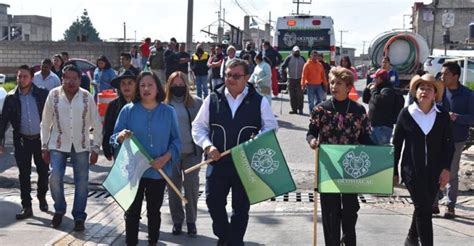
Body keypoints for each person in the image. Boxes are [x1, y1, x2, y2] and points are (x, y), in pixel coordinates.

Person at [192, 59, 278, 245]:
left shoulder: (258, 101)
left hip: (245, 163)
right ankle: (226, 237)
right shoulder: (212, 98)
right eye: (228, 75)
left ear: (247, 77)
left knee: (240, 208)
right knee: (213, 202)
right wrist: (208, 146)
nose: (230, 79)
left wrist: (256, 141)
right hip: (217, 161)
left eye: (236, 76)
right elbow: (198, 127)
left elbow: (271, 127)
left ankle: (234, 241)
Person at [111, 71, 181, 245]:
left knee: (154, 211)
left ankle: (153, 241)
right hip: (133, 170)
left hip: (158, 172)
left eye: (150, 85)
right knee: (132, 212)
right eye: (142, 85)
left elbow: (177, 141)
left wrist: (165, 158)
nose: (146, 89)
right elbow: (113, 137)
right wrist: (120, 136)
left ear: (158, 88)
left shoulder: (168, 112)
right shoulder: (128, 110)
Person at [306, 67, 373, 246]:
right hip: (328, 166)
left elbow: (365, 137)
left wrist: (382, 152)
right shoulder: (321, 109)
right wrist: (313, 142)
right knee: (330, 211)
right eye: (332, 82)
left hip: (352, 167)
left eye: (339, 83)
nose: (334, 86)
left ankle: (348, 239)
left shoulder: (359, 110)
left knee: (351, 210)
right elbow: (311, 133)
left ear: (349, 86)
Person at [393, 73, 453, 245]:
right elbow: (397, 144)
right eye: (421, 88)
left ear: (435, 94)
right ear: (415, 92)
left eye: (429, 88)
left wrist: (446, 169)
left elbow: (449, 145)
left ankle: (411, 238)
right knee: (424, 210)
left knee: (424, 207)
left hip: (435, 171)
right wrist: (394, 171)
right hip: (411, 171)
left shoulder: (442, 115)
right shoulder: (406, 114)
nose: (425, 91)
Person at [40, 65, 102, 231]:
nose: (71, 81)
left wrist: (96, 148)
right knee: (55, 176)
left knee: (81, 182)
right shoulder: (53, 95)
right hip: (58, 143)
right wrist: (44, 146)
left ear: (80, 80)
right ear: (62, 79)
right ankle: (59, 209)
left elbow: (96, 123)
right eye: (67, 78)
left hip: (81, 144)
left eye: (75, 78)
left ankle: (79, 216)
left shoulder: (86, 97)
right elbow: (45, 123)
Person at [0, 65, 49, 220]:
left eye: (24, 76)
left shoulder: (42, 94)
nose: (21, 79)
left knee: (43, 172)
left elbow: (51, 117)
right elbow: (3, 122)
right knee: (24, 174)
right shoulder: (11, 97)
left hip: (41, 140)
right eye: (19, 76)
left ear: (32, 78)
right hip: (21, 141)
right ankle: (26, 206)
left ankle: (42, 195)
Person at [164, 71, 203, 237]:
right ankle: (177, 221)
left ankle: (191, 221)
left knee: (192, 187)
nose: (178, 88)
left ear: (186, 85)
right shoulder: (163, 104)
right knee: (174, 189)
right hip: (171, 154)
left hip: (192, 153)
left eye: (181, 85)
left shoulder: (197, 103)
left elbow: (204, 126)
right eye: (175, 85)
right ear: (169, 86)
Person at [433, 61, 474, 218]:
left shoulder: (468, 95)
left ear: (456, 76)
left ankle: (450, 206)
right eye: (442, 73)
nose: (442, 76)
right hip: (437, 138)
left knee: (451, 172)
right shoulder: (438, 92)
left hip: (457, 139)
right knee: (435, 169)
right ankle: (434, 202)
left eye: (446, 74)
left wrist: (456, 117)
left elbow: (472, 118)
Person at [102, 70, 137, 161]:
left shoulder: (142, 104)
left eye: (130, 83)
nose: (126, 86)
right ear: (119, 87)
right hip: (119, 147)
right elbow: (107, 128)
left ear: (136, 85)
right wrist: (106, 148)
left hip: (138, 149)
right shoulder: (113, 105)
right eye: (123, 84)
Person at [362, 69, 396, 145]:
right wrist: (367, 89)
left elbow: (379, 101)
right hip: (373, 126)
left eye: (375, 78)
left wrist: (373, 90)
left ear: (380, 79)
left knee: (381, 151)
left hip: (383, 127)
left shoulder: (388, 90)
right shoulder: (377, 89)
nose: (373, 80)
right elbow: (365, 100)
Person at [281, 46, 306, 114]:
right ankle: (294, 109)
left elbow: (306, 68)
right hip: (291, 78)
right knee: (292, 95)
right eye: (295, 51)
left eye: (298, 51)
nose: (297, 52)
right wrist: (283, 75)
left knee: (300, 95)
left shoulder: (302, 58)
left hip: (300, 79)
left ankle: (300, 109)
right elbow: (283, 66)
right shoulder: (289, 58)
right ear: (293, 51)